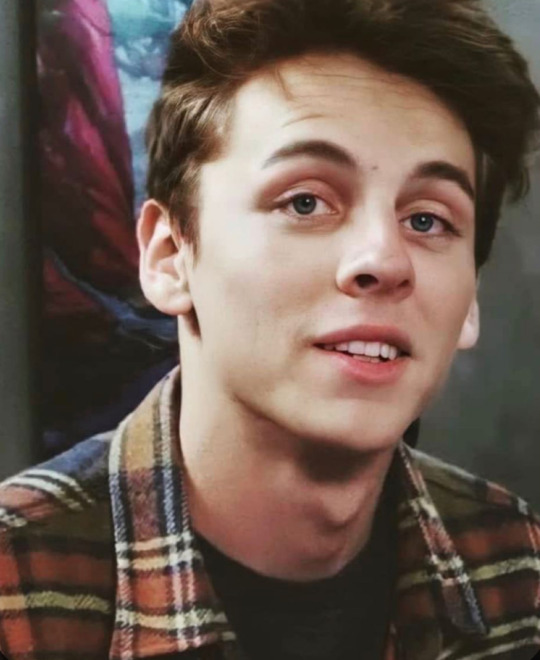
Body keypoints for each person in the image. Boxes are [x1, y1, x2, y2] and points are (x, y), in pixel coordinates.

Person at [1, 0, 539, 658]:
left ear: (471, 297)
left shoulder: (517, 565)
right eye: (305, 202)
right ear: (169, 257)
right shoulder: (17, 583)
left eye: (427, 220)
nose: (384, 260)